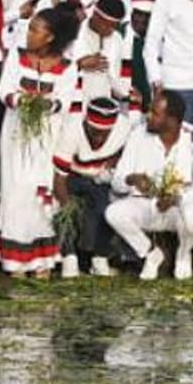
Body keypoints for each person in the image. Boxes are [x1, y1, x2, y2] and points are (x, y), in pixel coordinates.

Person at [0, 8, 80, 278]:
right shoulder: (17, 58)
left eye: (35, 29)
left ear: (50, 37)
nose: (29, 34)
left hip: (46, 136)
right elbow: (3, 89)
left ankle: (41, 261)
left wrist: (47, 103)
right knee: (16, 188)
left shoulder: (67, 66)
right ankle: (14, 262)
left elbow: (64, 101)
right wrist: (22, 100)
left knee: (38, 190)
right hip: (16, 132)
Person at [105, 90, 193, 280]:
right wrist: (132, 179)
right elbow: (117, 182)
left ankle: (183, 255)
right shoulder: (138, 134)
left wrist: (177, 198)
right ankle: (151, 253)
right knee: (114, 213)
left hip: (178, 209)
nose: (148, 116)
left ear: (171, 120)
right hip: (145, 205)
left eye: (154, 113)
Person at [52, 96, 132, 278]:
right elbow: (59, 179)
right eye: (94, 131)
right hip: (71, 176)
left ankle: (99, 258)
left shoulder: (124, 128)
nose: (99, 138)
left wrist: (110, 166)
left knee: (109, 207)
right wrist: (66, 207)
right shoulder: (71, 130)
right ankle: (69, 259)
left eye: (104, 133)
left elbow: (124, 153)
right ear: (86, 123)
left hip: (101, 178)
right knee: (62, 210)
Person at [68, 0, 134, 113]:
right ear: (95, 15)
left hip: (104, 106)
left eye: (114, 26)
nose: (110, 30)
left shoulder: (117, 38)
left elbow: (117, 79)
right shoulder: (73, 33)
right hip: (74, 104)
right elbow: (54, 71)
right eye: (107, 25)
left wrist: (130, 94)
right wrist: (78, 65)